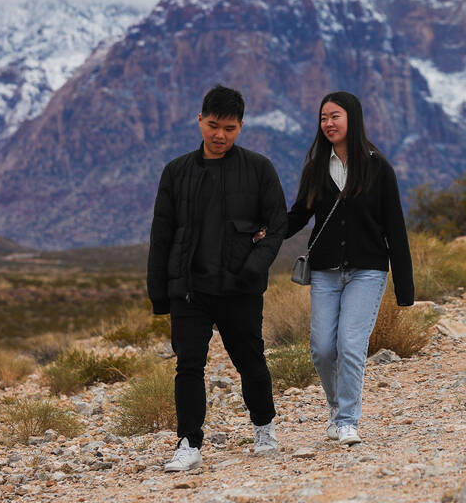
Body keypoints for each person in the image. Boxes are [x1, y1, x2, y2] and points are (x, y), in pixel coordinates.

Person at [147, 85, 288, 472]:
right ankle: (189, 443)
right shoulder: (176, 172)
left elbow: (278, 225)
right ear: (199, 121)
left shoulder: (259, 169)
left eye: (229, 127)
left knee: (250, 362)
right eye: (213, 125)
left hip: (240, 288)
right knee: (188, 366)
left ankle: (264, 427)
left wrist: (255, 265)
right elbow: (161, 235)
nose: (220, 135)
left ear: (241, 126)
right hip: (190, 290)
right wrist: (159, 294)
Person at [288, 91, 414, 446]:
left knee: (350, 344)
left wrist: (405, 289)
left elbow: (395, 227)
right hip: (325, 270)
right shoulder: (316, 168)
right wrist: (265, 233)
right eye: (323, 117)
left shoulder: (378, 166)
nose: (328, 123)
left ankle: (347, 420)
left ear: (352, 119)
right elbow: (300, 214)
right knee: (322, 348)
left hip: (368, 271)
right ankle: (335, 406)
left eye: (335, 116)